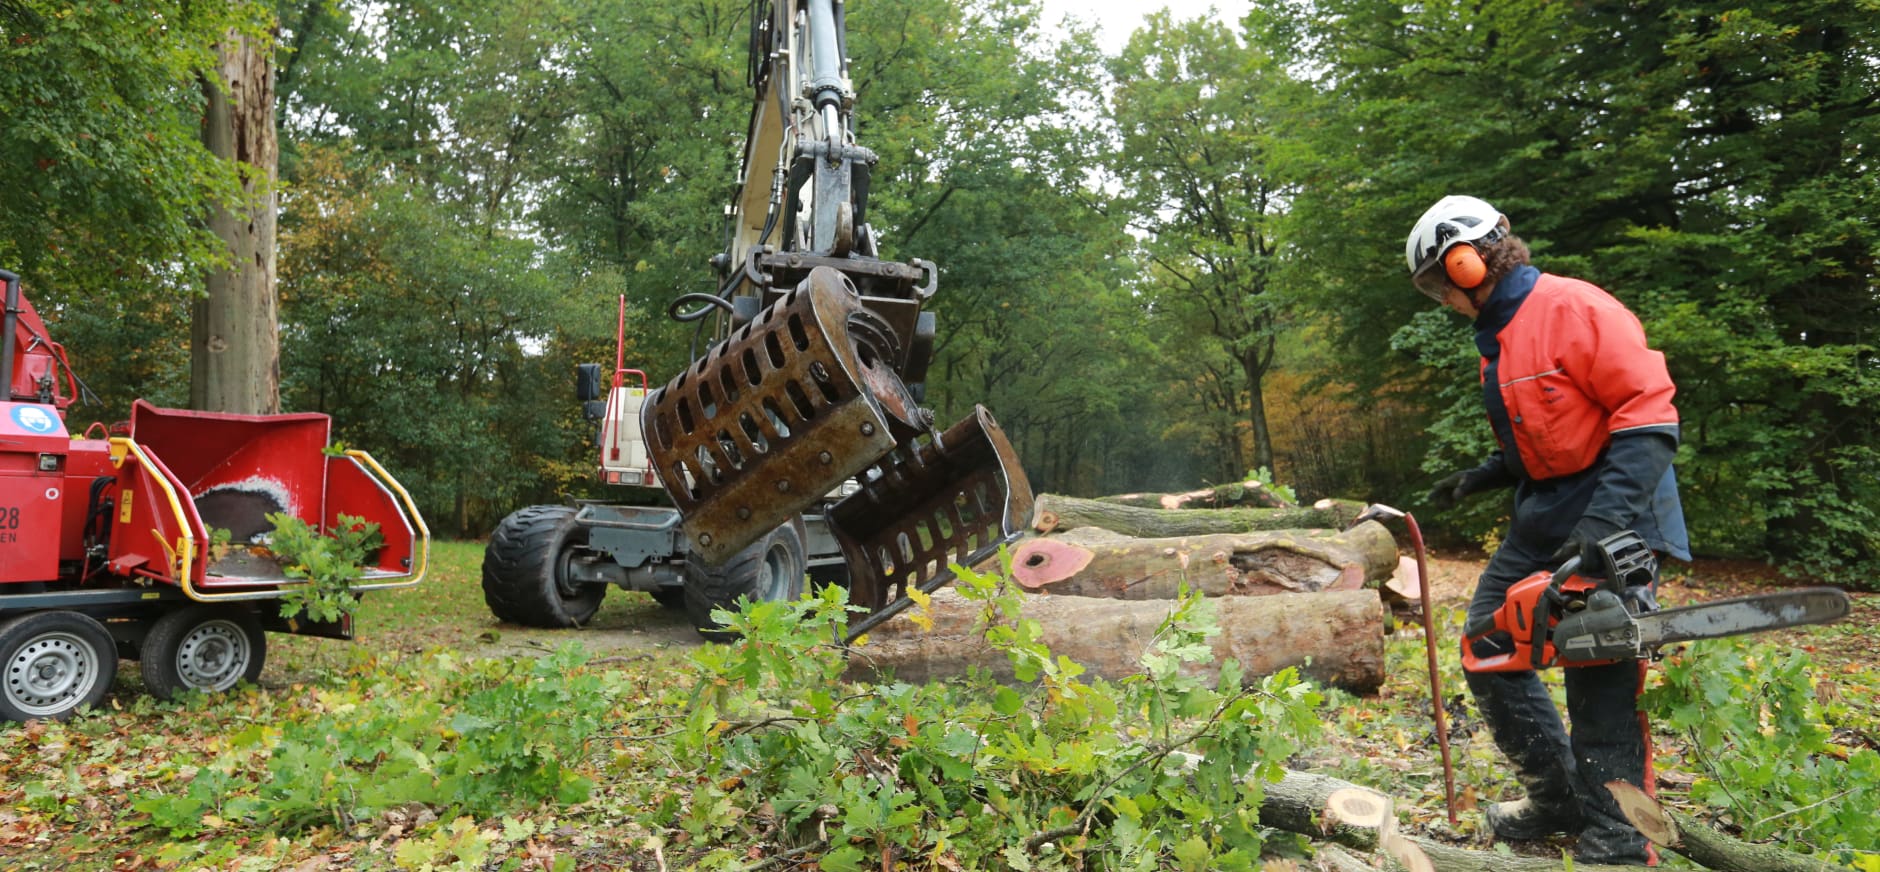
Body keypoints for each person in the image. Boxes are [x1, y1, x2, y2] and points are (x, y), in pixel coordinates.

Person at [1405, 195, 1691, 865]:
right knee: (1488, 644)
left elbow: (1648, 418)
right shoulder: (1499, 341)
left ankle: (1619, 839)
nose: (1441, 299)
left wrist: (1602, 526)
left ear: (1467, 263)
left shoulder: (1573, 308)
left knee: (1597, 669)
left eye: (1439, 284)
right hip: (1546, 515)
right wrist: (1485, 474)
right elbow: (1544, 436)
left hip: (1615, 514)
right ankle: (1558, 795)